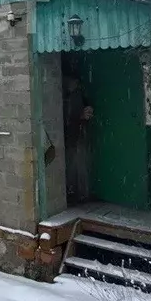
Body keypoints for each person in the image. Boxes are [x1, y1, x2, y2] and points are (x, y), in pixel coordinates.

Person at [63, 70, 93, 204]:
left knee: (77, 165)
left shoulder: (75, 96)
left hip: (76, 136)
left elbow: (73, 117)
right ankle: (77, 192)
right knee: (76, 165)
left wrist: (80, 117)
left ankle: (78, 193)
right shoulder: (72, 96)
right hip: (74, 136)